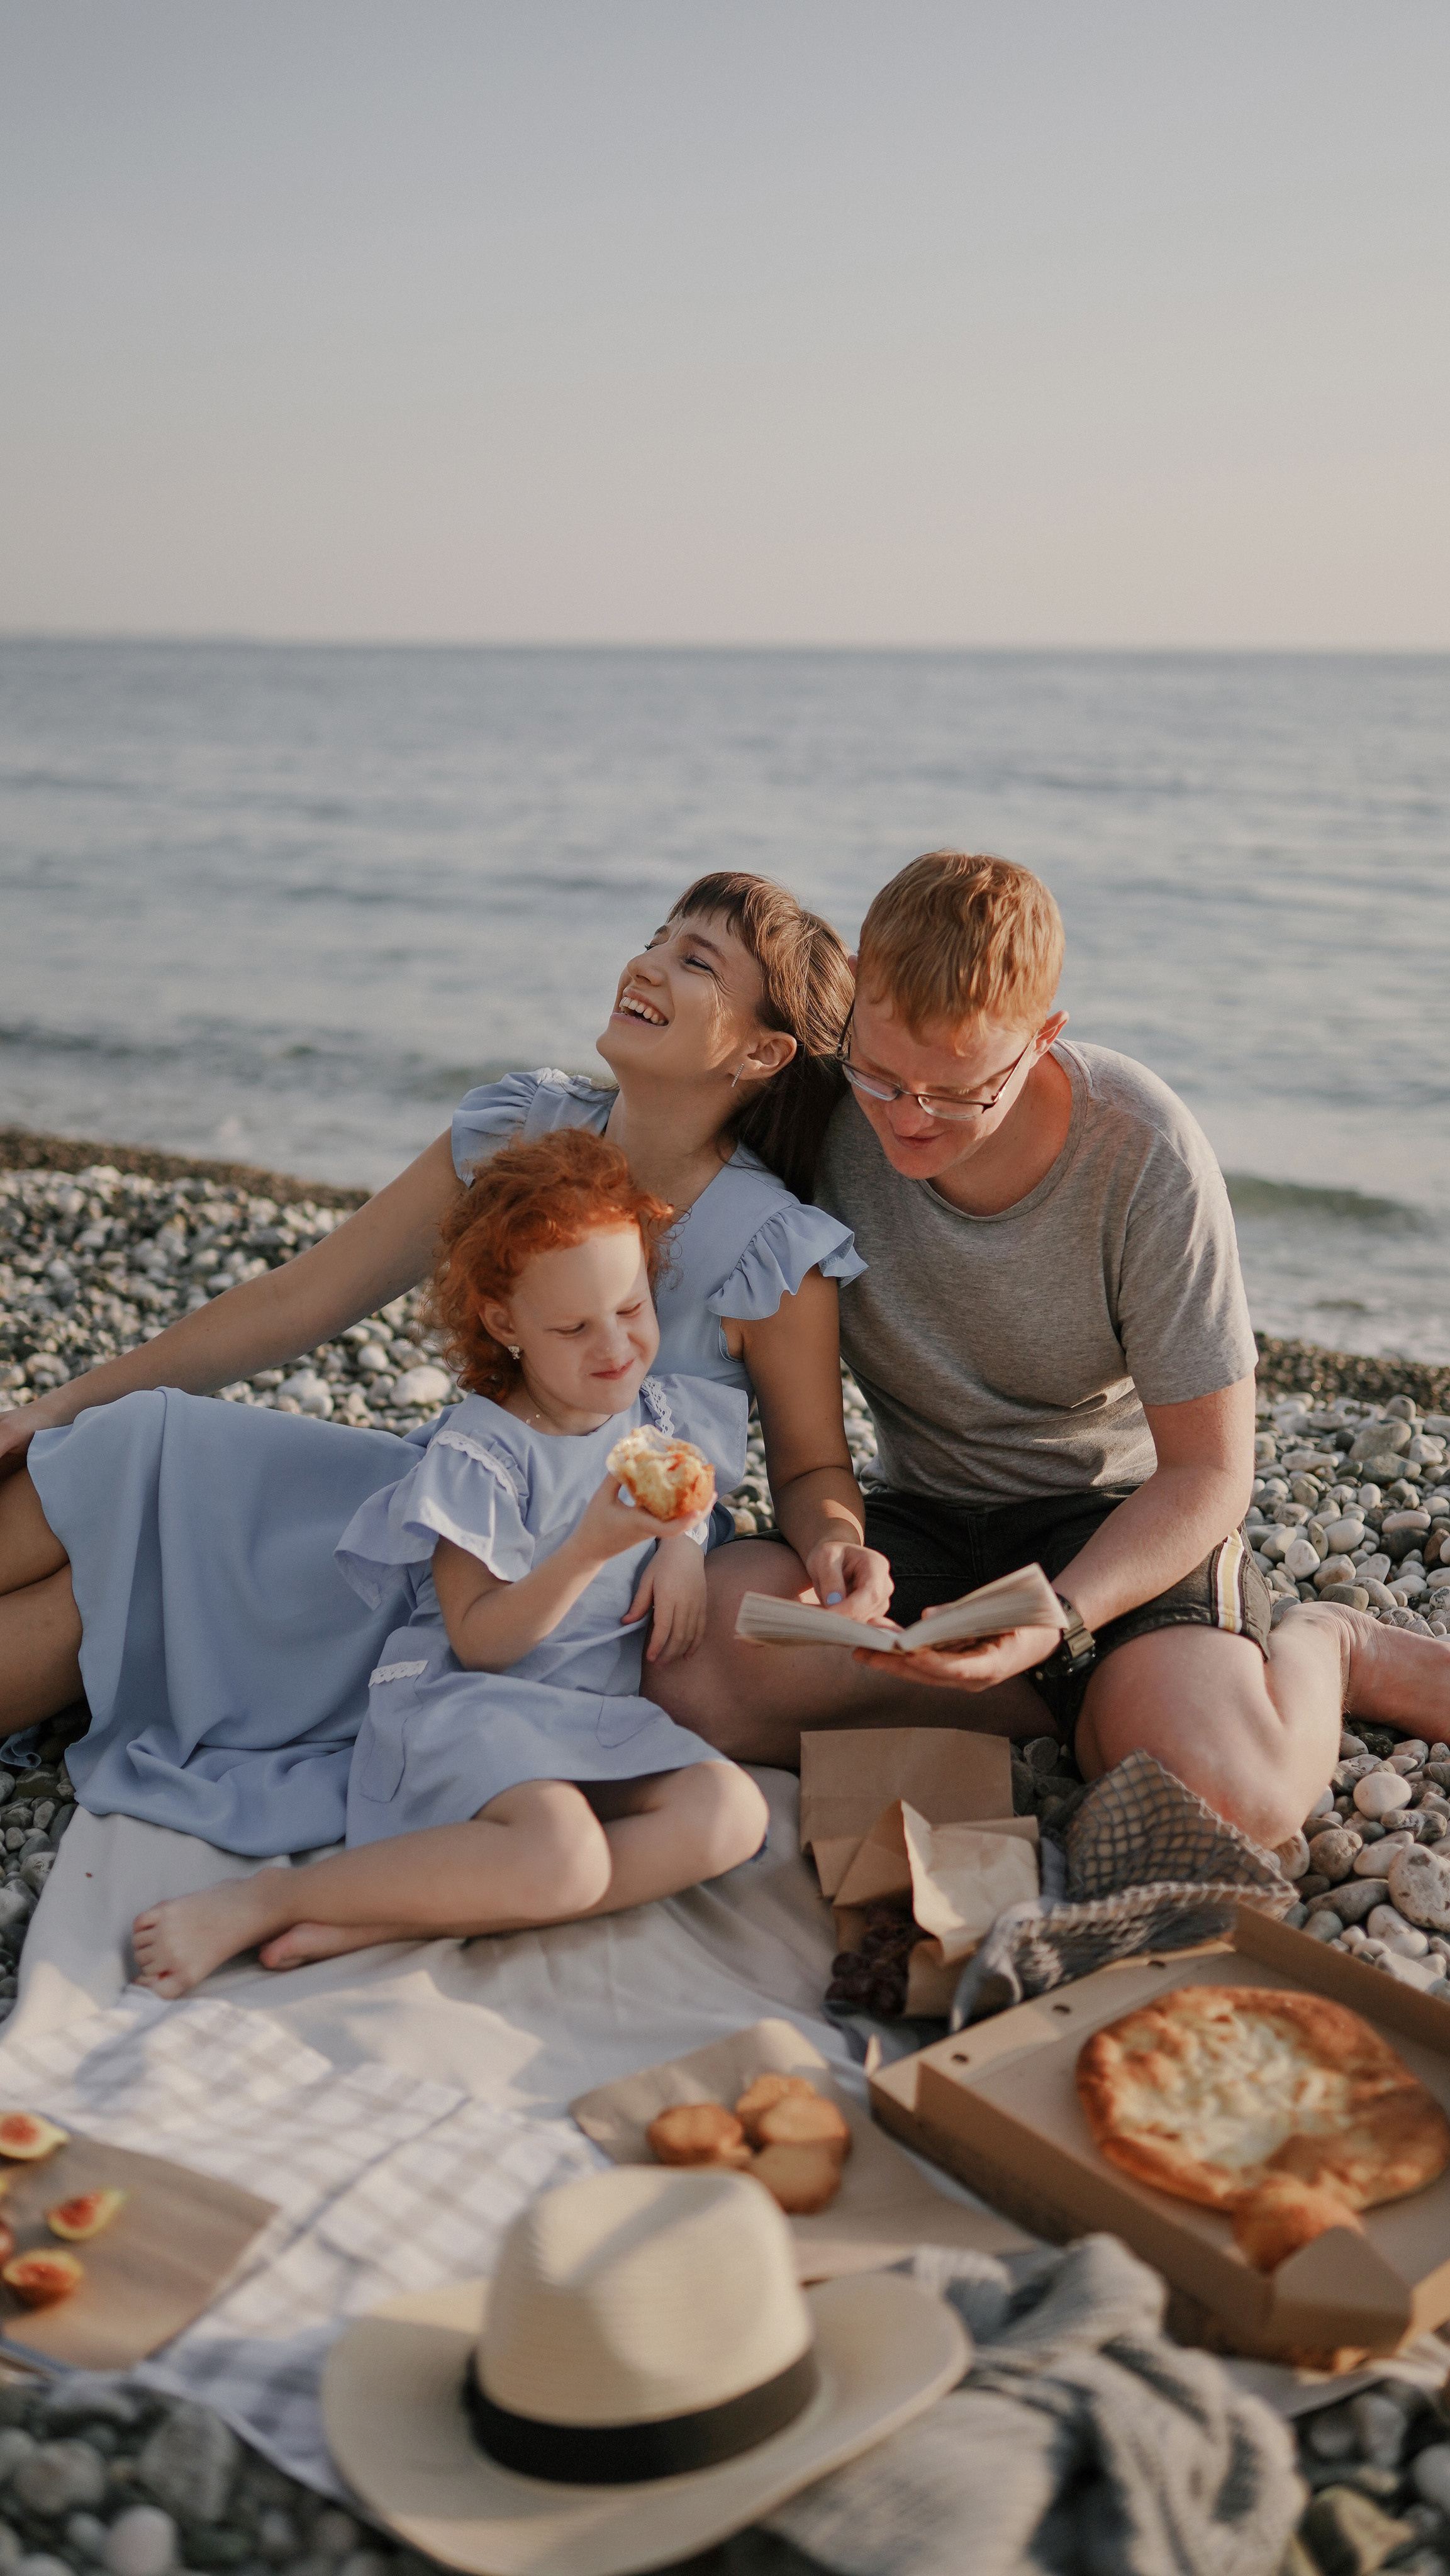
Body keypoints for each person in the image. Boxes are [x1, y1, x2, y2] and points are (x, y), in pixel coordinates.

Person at [0, 872, 889, 1850]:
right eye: (656, 937)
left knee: (101, 1608)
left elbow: (810, 1466)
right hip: (440, 1496)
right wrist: (54, 1406)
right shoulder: (519, 1130)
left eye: (695, 961)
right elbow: (300, 1300)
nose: (645, 963)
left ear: (763, 1051)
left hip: (522, 1592)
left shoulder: (771, 1248)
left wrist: (834, 1544)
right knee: (128, 1443)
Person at [649, 851, 1450, 1850]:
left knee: (1228, 1800)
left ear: (1042, 1040)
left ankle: (1330, 1647)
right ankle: (1060, 1704)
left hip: (1110, 1531)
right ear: (854, 991)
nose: (905, 1119)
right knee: (685, 1672)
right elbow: (806, 1447)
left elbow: (1208, 1473)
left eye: (954, 1094)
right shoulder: (821, 1107)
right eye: (882, 1076)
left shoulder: (1142, 1149)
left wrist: (1059, 1616)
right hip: (921, 1527)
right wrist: (832, 1544)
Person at [130, 1131, 768, 1997]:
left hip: (585, 1712)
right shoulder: (482, 1455)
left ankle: (402, 1910)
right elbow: (481, 1643)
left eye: (630, 1308)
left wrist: (682, 1546)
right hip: (470, 1709)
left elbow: (681, 1506)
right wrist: (588, 1548)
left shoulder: (650, 1411)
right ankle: (279, 1896)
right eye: (574, 1328)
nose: (614, 1346)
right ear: (506, 1325)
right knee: (566, 1858)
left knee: (730, 1814)